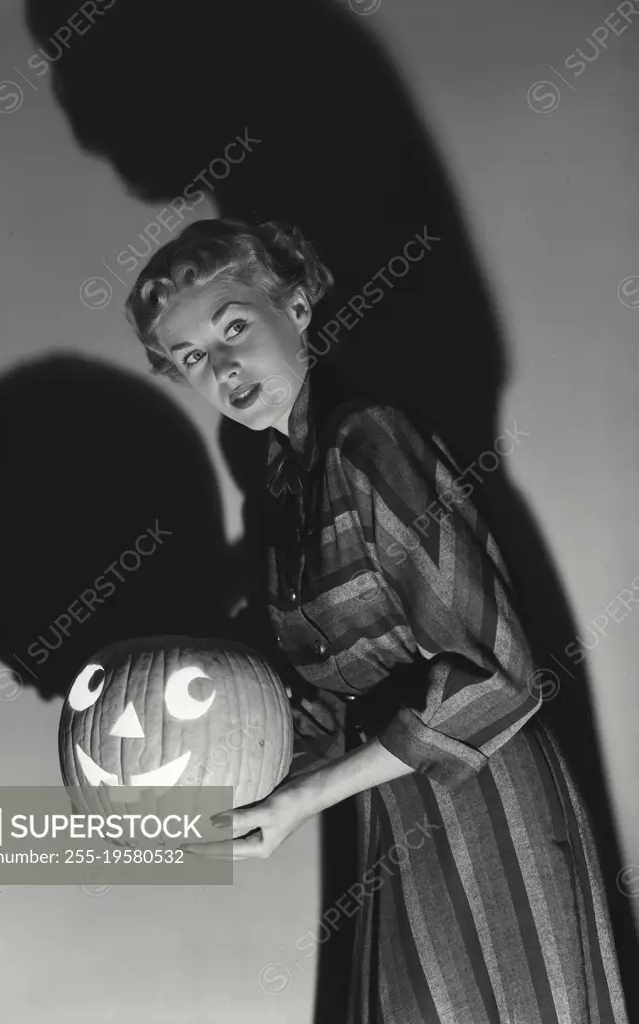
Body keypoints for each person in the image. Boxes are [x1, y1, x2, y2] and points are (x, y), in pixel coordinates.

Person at [125, 217, 628, 1024]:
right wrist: (205, 780)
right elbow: (328, 701)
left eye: (233, 327)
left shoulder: (369, 439)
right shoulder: (287, 482)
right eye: (191, 358)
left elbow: (500, 676)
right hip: (398, 820)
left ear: (296, 307)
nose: (220, 366)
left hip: (492, 810)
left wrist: (307, 797)